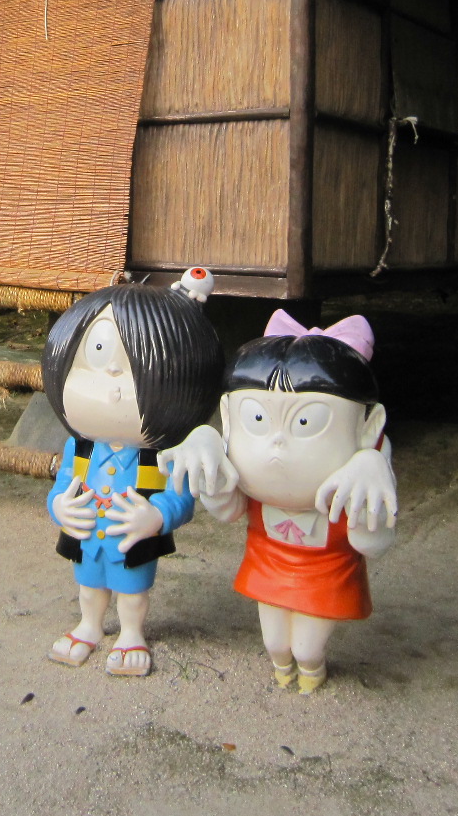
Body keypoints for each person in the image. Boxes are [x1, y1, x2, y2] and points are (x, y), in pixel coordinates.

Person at [160, 311, 396, 692]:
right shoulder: (238, 460)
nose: (277, 443)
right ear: (229, 417)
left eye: (305, 423)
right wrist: (208, 451)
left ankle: (312, 670)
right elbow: (228, 510)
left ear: (369, 425)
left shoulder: (359, 480)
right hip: (268, 561)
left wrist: (373, 471)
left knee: (306, 646)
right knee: (275, 642)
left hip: (327, 569)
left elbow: (372, 543)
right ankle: (284, 669)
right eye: (256, 419)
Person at [41, 270, 223, 676]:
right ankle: (88, 627)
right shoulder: (81, 447)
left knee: (132, 591)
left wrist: (158, 516)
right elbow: (61, 484)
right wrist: (60, 508)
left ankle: (130, 634)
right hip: (88, 534)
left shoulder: (159, 455)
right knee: (88, 586)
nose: (111, 387)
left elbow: (181, 495)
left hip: (132, 537)